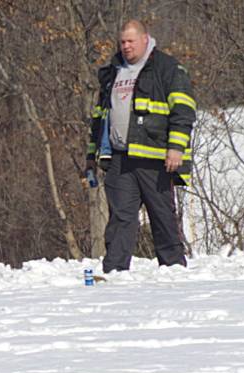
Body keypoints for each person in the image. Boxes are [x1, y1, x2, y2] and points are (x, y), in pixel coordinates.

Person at [86, 20, 196, 273]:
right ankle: (114, 271)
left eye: (130, 41)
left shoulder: (166, 68)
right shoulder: (112, 71)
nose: (125, 46)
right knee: (121, 217)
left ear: (145, 39)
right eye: (122, 42)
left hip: (155, 157)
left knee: (161, 215)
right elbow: (100, 117)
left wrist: (176, 147)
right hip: (119, 157)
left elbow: (184, 110)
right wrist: (92, 155)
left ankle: (173, 269)